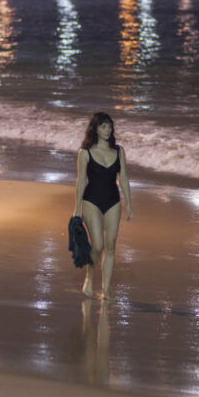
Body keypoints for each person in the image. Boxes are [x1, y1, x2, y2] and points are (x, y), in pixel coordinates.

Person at [74, 111, 133, 299]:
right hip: (91, 201)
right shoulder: (85, 153)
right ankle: (90, 278)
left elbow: (123, 179)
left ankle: (106, 289)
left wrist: (128, 204)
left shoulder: (119, 151)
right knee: (98, 245)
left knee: (111, 246)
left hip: (113, 202)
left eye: (109, 126)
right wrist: (76, 209)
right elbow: (81, 181)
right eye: (103, 126)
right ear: (95, 129)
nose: (107, 130)